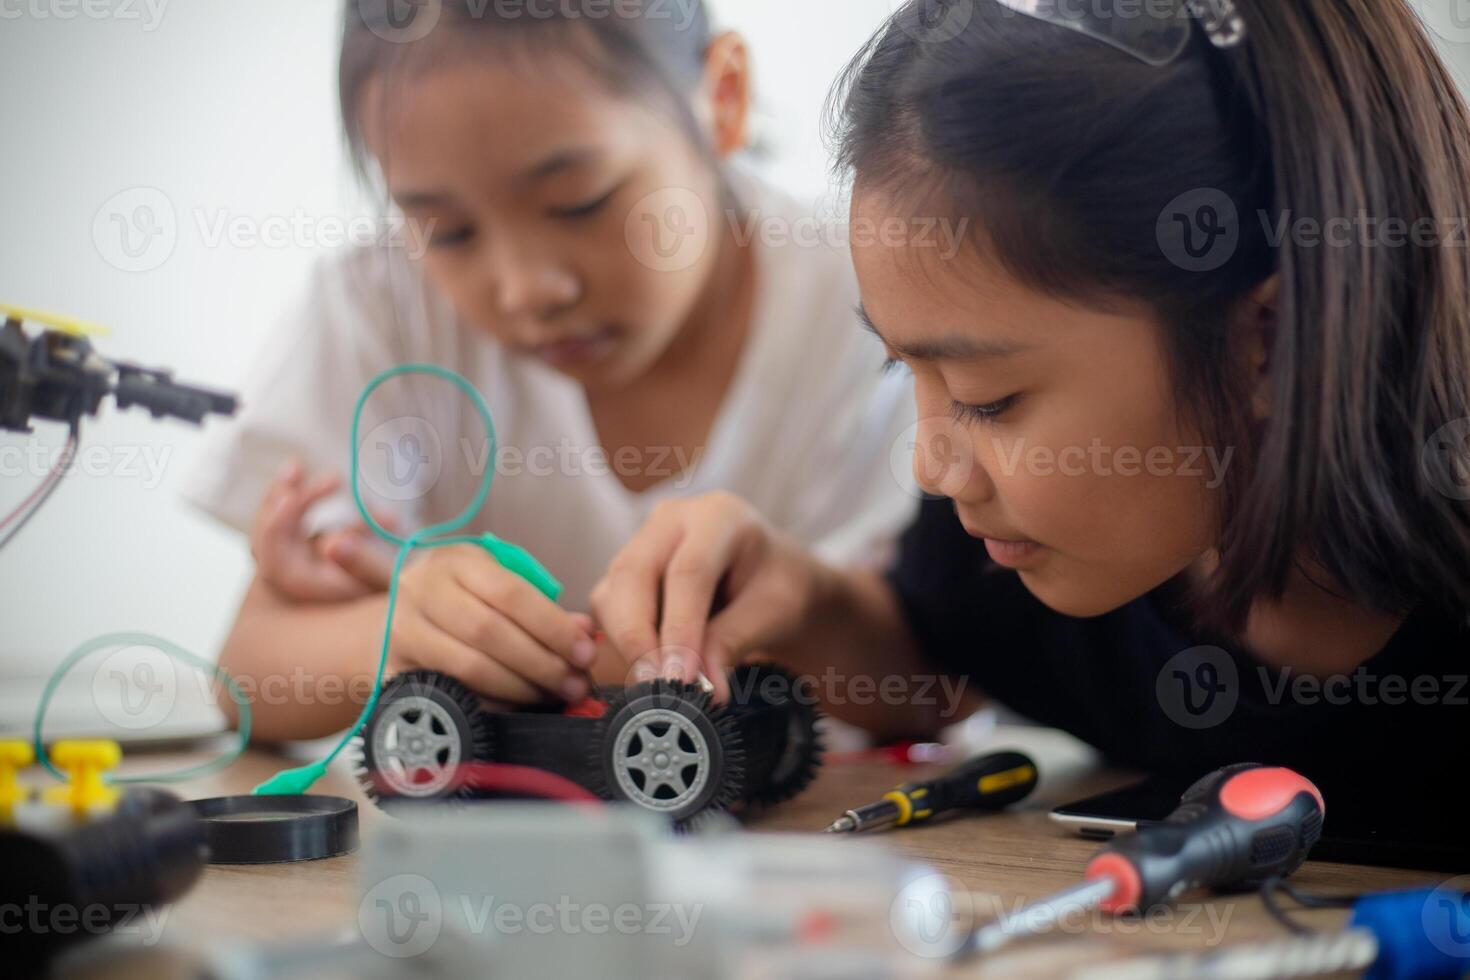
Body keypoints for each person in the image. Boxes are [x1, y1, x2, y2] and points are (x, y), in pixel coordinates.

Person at [590, 0, 1470, 821]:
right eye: (904, 371)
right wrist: (804, 599)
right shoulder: (1071, 543)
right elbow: (936, 662)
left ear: (1266, 341)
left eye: (987, 399)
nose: (931, 466)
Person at [186, 0, 916, 739]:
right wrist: (395, 631)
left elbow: (939, 684)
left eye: (579, 203)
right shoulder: (384, 303)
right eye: (450, 231)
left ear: (722, 99)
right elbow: (246, 676)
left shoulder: (872, 297)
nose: (525, 288)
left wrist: (811, 603)